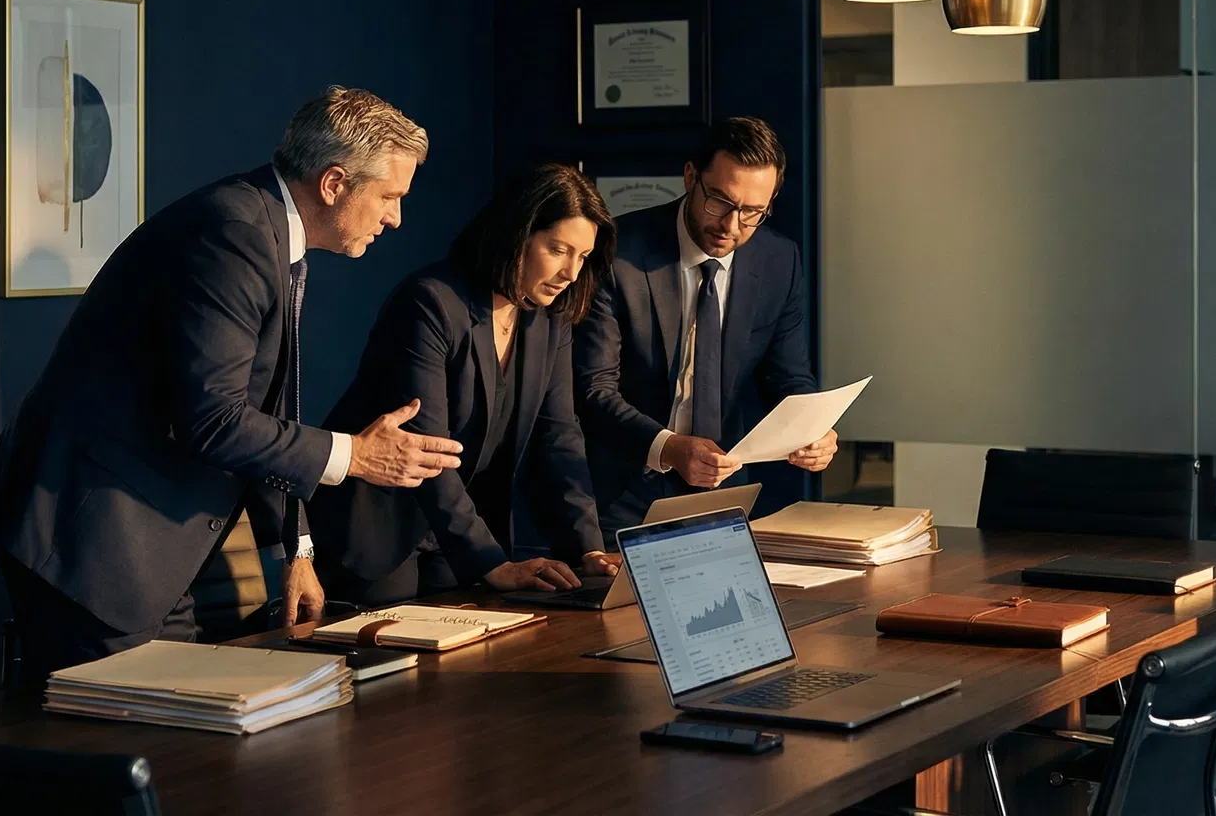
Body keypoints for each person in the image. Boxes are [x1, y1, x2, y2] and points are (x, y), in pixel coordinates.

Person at [0, 86, 466, 685]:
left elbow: (264, 405)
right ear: (335, 184)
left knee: (179, 745)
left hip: (153, 545)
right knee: (118, 751)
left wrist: (296, 551)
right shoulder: (232, 235)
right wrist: (355, 455)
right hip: (91, 536)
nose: (396, 217)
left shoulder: (269, 232)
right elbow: (214, 418)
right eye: (389, 196)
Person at [310, 164, 619, 605]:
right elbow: (427, 448)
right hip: (380, 531)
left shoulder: (549, 318)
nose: (571, 271)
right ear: (518, 235)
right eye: (558, 249)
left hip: (462, 534)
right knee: (392, 667)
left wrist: (589, 546)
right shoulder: (430, 303)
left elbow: (559, 436)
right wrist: (492, 564)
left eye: (583, 256)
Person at [575, 117, 838, 539]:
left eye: (752, 212)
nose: (731, 226)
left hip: (725, 493)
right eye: (719, 201)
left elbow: (789, 377)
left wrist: (813, 430)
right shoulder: (617, 253)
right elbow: (593, 389)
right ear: (690, 176)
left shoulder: (778, 260)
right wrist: (669, 447)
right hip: (618, 494)